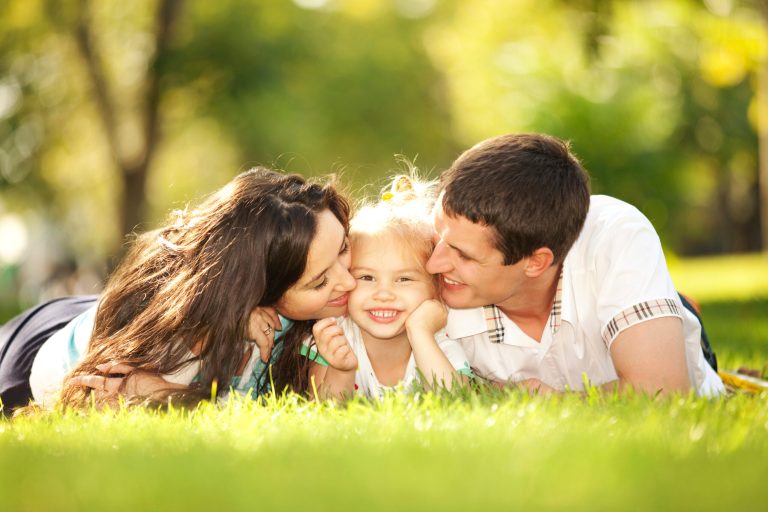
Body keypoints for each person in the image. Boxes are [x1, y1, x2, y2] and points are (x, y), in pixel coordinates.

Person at [0, 167, 356, 412]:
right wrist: (227, 323)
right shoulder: (174, 335)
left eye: (343, 248)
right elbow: (101, 397)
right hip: (37, 353)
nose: (349, 281)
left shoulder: (281, 302)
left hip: (91, 307)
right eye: (320, 282)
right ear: (259, 290)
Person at [425, 133, 725, 396]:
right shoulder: (420, 255)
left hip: (680, 353)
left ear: (535, 262)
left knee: (667, 321)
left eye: (463, 255)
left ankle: (673, 310)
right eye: (438, 236)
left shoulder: (616, 235)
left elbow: (663, 392)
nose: (432, 264)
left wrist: (552, 401)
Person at [299, 175, 472, 400]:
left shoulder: (438, 343)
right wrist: (341, 370)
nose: (383, 294)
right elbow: (324, 413)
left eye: (404, 280)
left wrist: (420, 333)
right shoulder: (336, 336)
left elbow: (457, 404)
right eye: (367, 277)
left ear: (435, 289)